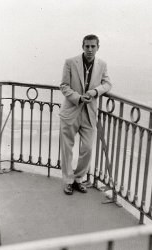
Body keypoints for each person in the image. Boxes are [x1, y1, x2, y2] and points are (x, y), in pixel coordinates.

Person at [59, 34, 112, 195]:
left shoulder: (102, 65)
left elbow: (108, 84)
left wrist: (95, 92)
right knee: (67, 148)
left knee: (88, 148)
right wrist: (78, 97)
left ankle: (78, 178)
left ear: (98, 47)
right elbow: (64, 85)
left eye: (93, 46)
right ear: (83, 46)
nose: (90, 49)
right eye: (87, 46)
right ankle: (68, 181)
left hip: (89, 114)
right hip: (71, 111)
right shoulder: (70, 62)